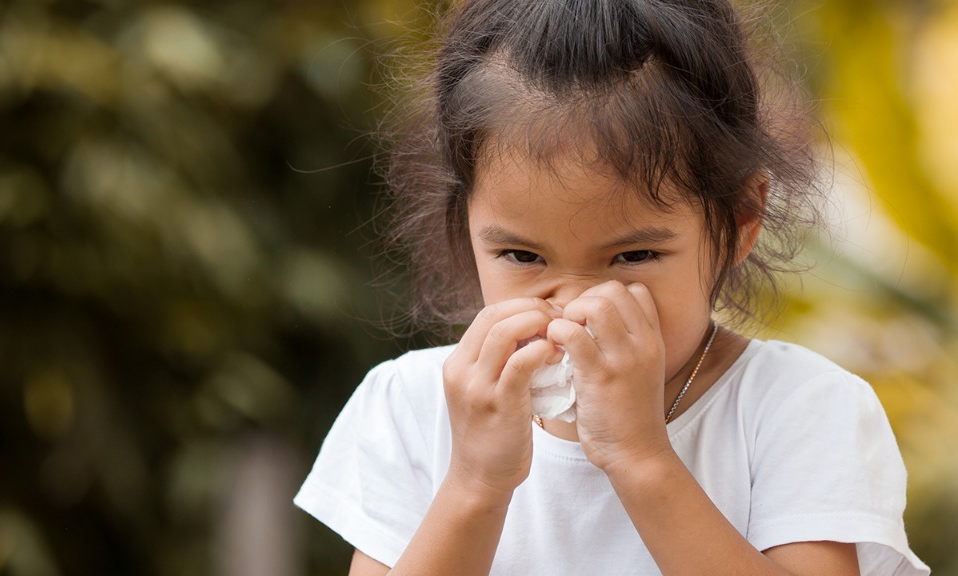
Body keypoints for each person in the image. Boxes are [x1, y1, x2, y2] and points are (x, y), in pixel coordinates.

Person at [294, 0, 931, 574]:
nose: (574, 304)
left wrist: (640, 458)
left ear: (740, 220)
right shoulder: (411, 410)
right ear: (468, 224)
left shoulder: (796, 410)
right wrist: (473, 484)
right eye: (521, 254)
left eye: (633, 255)